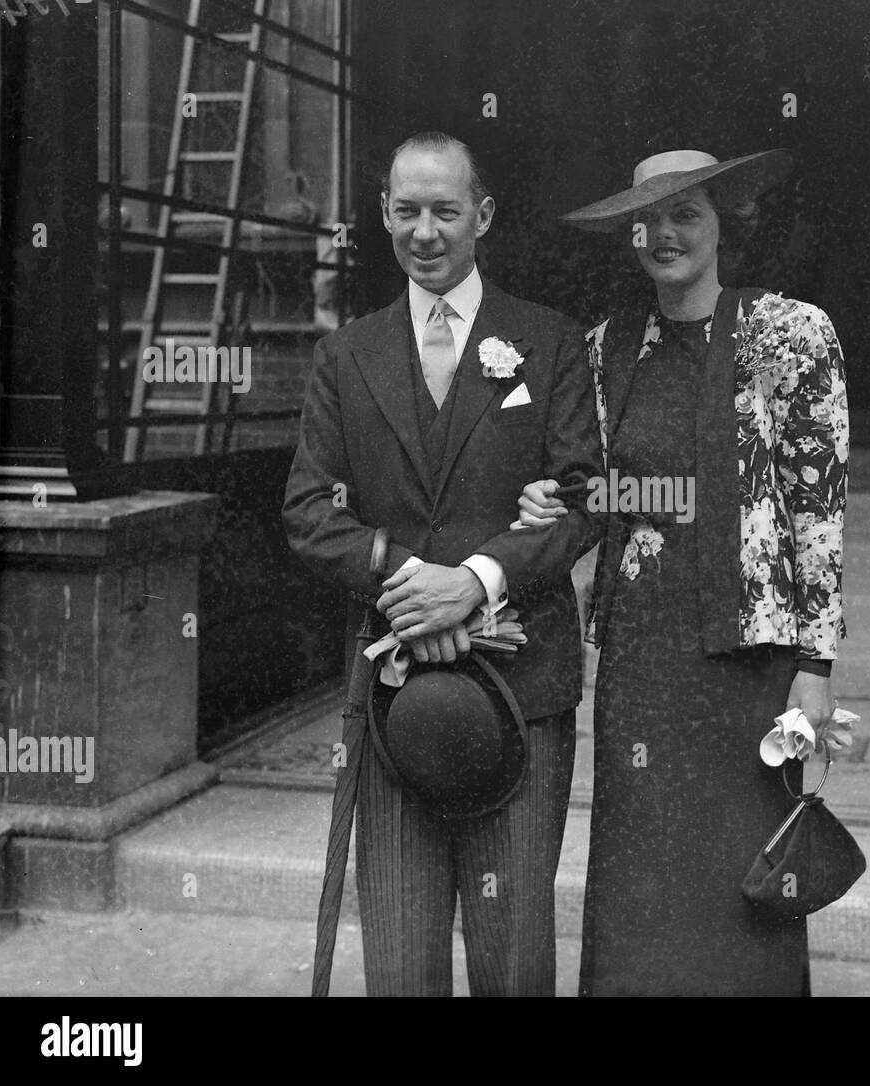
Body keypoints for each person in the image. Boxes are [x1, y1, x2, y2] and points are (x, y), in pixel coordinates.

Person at [517, 149, 849, 995]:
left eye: (687, 214)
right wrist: (545, 511)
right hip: (642, 656)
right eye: (650, 219)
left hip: (751, 660)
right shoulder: (604, 349)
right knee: (643, 877)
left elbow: (818, 510)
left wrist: (815, 667)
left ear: (723, 222)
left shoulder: (790, 332)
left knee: (746, 871)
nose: (666, 234)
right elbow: (592, 490)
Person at [282, 131, 602, 996]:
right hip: (393, 699)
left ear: (482, 217)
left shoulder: (548, 341)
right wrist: (406, 583)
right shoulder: (346, 356)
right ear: (384, 210)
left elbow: (584, 499)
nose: (425, 231)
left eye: (446, 212)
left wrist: (474, 582)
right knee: (399, 962)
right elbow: (309, 512)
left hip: (522, 692)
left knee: (513, 958)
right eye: (407, 210)